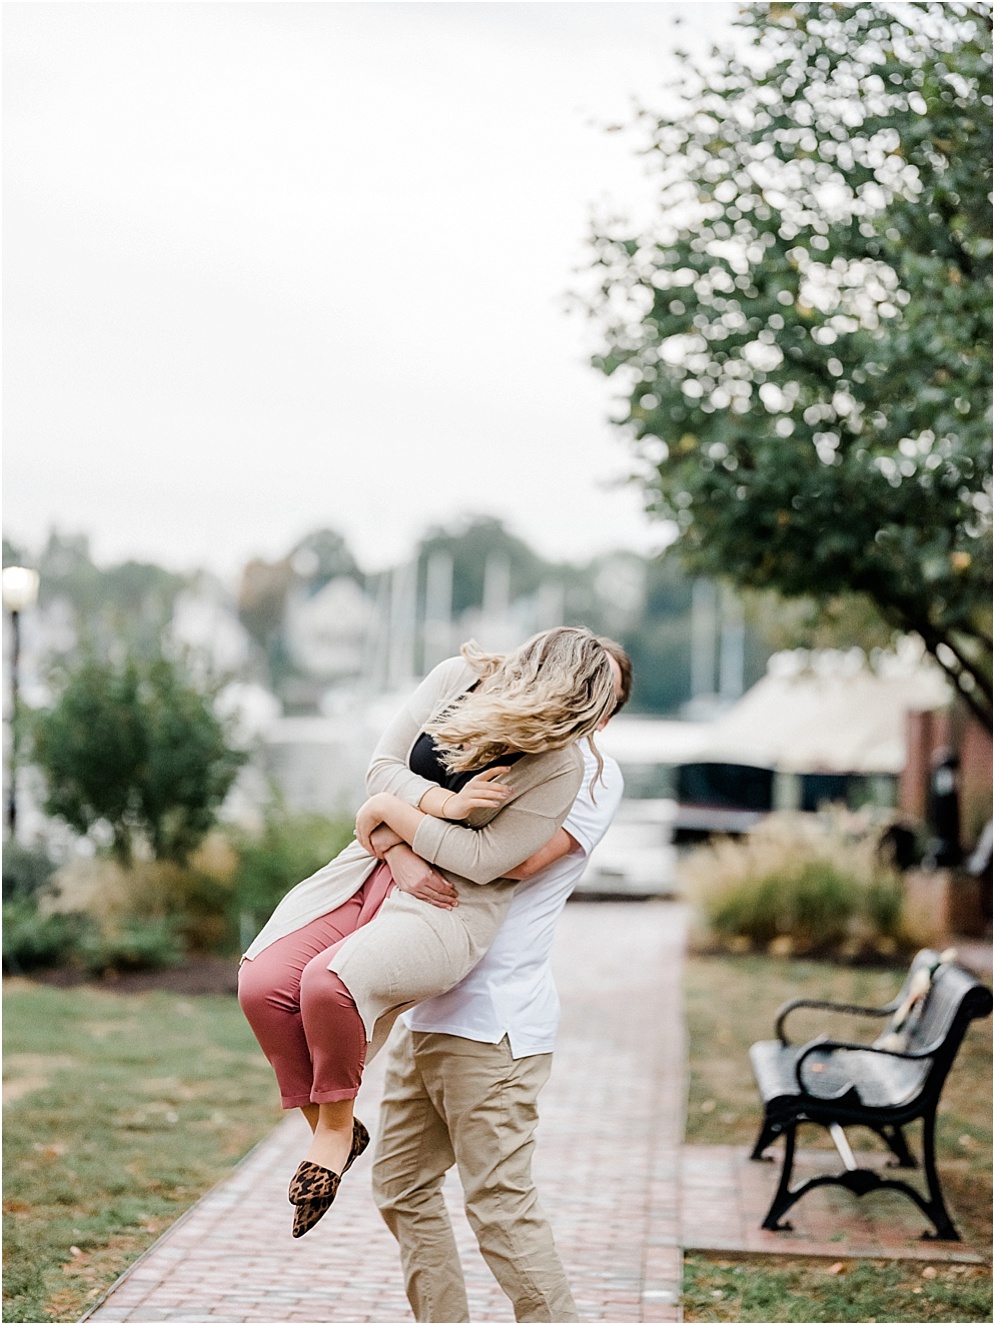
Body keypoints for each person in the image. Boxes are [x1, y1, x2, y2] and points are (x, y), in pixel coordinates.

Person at [237, 627, 619, 1236]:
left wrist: (392, 818)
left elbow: (487, 860)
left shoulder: (561, 764)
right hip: (372, 864)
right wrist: (437, 813)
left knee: (328, 985)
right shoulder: (455, 681)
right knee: (262, 985)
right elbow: (380, 770)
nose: (579, 728)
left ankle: (334, 1134)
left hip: (452, 905)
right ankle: (335, 1129)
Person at [371, 642, 630, 1324]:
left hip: (495, 1019)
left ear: (595, 709)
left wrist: (397, 820)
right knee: (400, 1186)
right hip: (431, 1005)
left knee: (500, 1210)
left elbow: (505, 863)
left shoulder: (591, 776)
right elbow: (392, 784)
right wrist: (397, 847)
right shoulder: (500, 747)